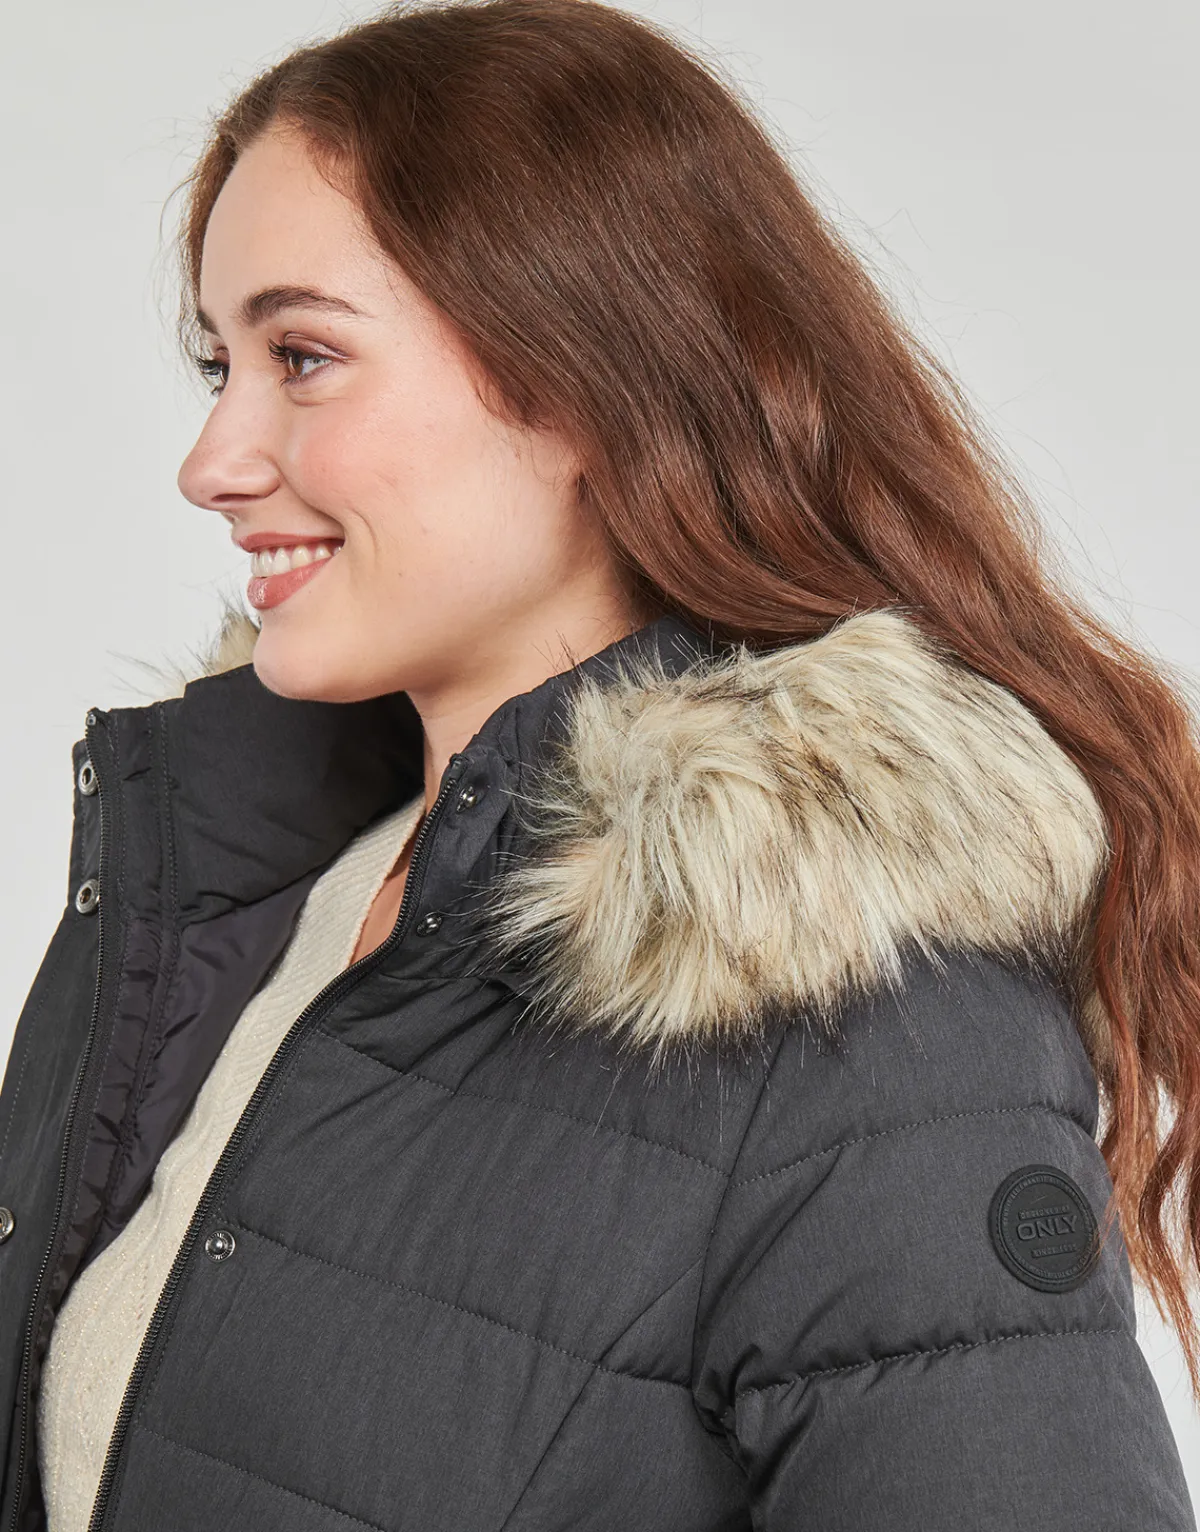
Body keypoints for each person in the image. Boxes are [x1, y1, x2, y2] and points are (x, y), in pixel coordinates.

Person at [1, 1, 1197, 1527]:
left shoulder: (863, 1013)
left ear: (581, 380)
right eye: (216, 363)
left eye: (302, 357)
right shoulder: (219, 895)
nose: (211, 462)